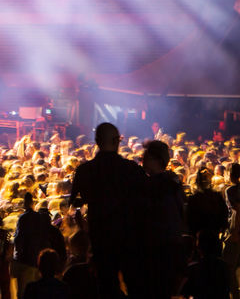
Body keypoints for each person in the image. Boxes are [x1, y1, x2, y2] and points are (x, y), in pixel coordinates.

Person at [70, 122, 147, 299]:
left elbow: (75, 207)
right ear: (116, 141)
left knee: (106, 287)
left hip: (100, 238)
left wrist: (85, 230)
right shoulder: (131, 169)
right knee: (134, 286)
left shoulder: (84, 170)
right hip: (129, 238)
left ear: (96, 141)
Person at [142, 139, 187, 299]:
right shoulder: (172, 184)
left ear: (157, 160)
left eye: (146, 157)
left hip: (159, 251)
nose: (142, 160)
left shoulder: (159, 187)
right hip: (167, 248)